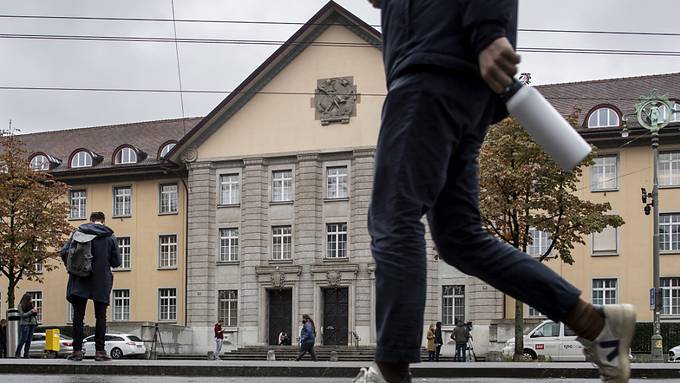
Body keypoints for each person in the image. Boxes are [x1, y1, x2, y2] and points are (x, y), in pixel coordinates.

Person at [354, 1, 636, 382]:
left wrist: (488, 32)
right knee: (459, 238)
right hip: (459, 83)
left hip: (431, 71)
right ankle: (595, 325)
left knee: (394, 217)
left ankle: (390, 372)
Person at [60, 211, 121, 362]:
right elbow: (117, 262)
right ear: (103, 221)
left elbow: (64, 252)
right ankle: (100, 351)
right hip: (101, 280)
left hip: (80, 279)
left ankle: (77, 351)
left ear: (91, 220)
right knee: (100, 316)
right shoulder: (110, 237)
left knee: (78, 316)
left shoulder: (78, 233)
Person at [15, 293, 38, 358]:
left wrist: (35, 311)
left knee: (29, 340)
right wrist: (31, 311)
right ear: (26, 299)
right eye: (30, 299)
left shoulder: (31, 305)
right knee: (23, 339)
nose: (31, 300)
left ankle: (26, 353)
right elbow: (22, 315)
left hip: (32, 324)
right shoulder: (20, 306)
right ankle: (17, 353)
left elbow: (33, 315)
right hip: (25, 324)